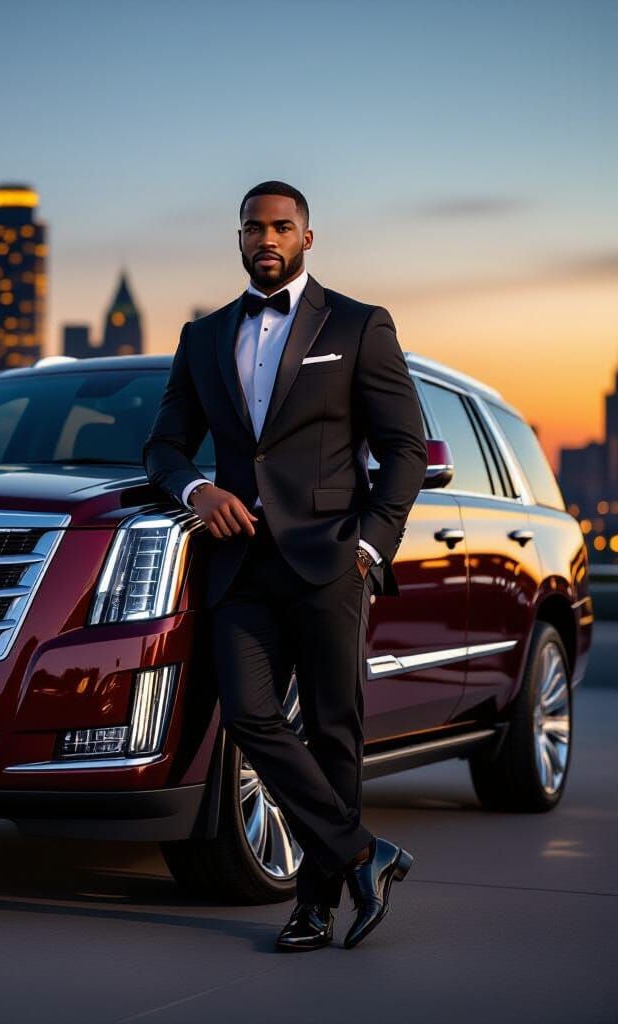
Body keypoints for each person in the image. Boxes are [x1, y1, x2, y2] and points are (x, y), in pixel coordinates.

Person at [142, 180, 428, 950]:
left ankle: (315, 905)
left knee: (335, 731)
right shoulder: (202, 338)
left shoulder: (359, 325)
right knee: (248, 715)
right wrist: (196, 488)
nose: (266, 239)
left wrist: (370, 545)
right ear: (237, 239)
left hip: (330, 559)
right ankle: (365, 853)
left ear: (307, 237)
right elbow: (164, 445)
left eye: (281, 227)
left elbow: (406, 446)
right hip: (238, 564)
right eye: (252, 228)